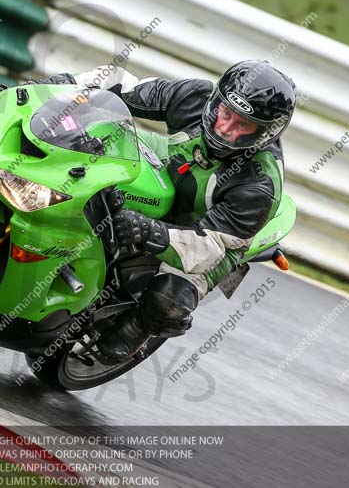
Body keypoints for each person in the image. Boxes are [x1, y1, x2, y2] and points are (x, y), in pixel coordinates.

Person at [36, 61, 296, 362]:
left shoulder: (258, 185)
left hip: (211, 230)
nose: (225, 128)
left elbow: (209, 246)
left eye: (243, 126)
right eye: (226, 114)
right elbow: (121, 84)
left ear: (263, 134)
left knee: (169, 296)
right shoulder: (196, 96)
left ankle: (138, 328)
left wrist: (150, 231)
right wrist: (57, 86)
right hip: (171, 163)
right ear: (218, 100)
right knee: (96, 135)